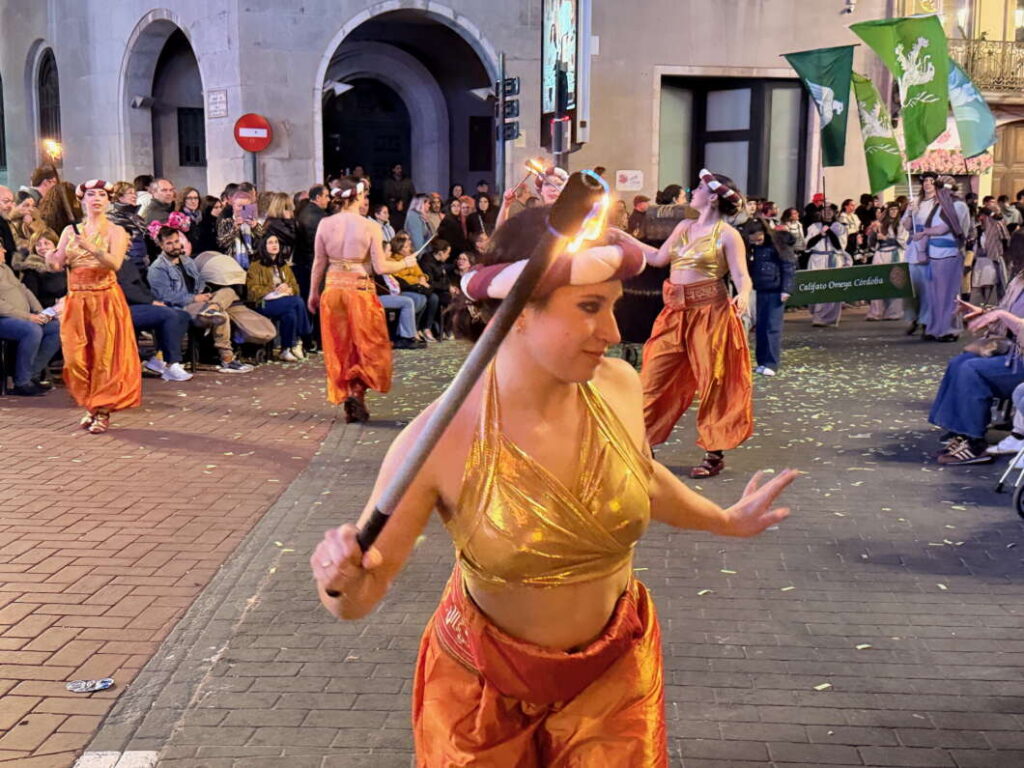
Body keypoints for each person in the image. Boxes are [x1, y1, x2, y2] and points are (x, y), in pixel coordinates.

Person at [310, 205, 797, 765]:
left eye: (613, 305)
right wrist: (338, 580)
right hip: (481, 697)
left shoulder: (617, 384)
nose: (613, 333)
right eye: (590, 307)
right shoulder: (436, 440)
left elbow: (640, 475)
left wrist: (725, 521)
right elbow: (356, 599)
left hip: (614, 684)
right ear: (518, 312)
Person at [639, 169, 754, 478]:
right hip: (674, 312)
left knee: (713, 381)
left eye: (698, 188)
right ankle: (642, 442)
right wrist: (619, 236)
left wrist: (742, 295)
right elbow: (658, 258)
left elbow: (741, 275)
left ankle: (714, 452)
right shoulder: (684, 226)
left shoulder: (728, 234)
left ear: (713, 196)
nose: (692, 192)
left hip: (710, 313)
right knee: (652, 377)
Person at [308, 178, 419, 422]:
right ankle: (358, 395)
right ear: (357, 197)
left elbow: (319, 262)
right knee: (367, 346)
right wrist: (405, 263)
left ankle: (349, 392)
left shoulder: (325, 224)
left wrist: (313, 292)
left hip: (333, 289)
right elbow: (380, 266)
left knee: (340, 346)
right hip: (359, 290)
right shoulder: (370, 227)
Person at [49, 180, 141, 433]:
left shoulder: (116, 231)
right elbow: (58, 263)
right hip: (76, 299)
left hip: (104, 299)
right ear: (83, 200)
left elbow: (114, 263)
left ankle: (101, 410)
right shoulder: (70, 231)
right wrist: (50, 257)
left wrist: (92, 248)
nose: (97, 198)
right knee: (75, 358)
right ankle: (90, 404)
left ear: (109, 200)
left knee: (104, 357)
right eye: (91, 194)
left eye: (102, 194)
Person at [930, 280, 1024, 464]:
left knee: (972, 370)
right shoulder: (1020, 280)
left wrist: (1002, 315)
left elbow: (1009, 318)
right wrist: (983, 314)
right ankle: (961, 433)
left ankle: (974, 443)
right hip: (1014, 353)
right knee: (958, 362)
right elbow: (1006, 318)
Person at [147, 227, 252, 374]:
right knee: (222, 315)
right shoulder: (157, 268)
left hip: (200, 302)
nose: (175, 246)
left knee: (228, 291)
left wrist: (205, 294)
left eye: (177, 241)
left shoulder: (187, 261)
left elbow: (199, 282)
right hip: (180, 307)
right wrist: (194, 298)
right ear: (161, 245)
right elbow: (165, 296)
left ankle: (212, 308)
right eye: (169, 243)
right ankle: (227, 358)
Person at [902, 173, 971, 342]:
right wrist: (922, 250)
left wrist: (925, 232)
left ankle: (948, 329)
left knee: (948, 295)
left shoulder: (957, 206)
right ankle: (935, 328)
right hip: (934, 255)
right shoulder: (938, 206)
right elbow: (920, 226)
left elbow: (945, 228)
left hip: (949, 253)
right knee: (934, 295)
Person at [116, 251, 193, 383]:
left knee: (182, 315)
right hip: (124, 308)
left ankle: (159, 358)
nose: (129, 244)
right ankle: (172, 364)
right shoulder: (114, 263)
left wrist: (155, 301)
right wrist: (150, 302)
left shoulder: (128, 263)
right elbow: (126, 289)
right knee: (168, 314)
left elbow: (143, 288)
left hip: (142, 305)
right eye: (127, 239)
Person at [0, 243, 61, 396]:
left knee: (55, 328)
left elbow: (24, 290)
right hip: (5, 319)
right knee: (31, 330)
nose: (4, 250)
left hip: (23, 316)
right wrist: (28, 317)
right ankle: (22, 383)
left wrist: (41, 313)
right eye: (0, 248)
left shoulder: (5, 268)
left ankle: (31, 375)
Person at [247, 234, 311, 362]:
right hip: (264, 302)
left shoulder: (283, 266)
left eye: (276, 242)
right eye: (270, 243)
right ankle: (302, 336)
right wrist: (274, 288)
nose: (275, 245)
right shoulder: (256, 266)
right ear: (264, 246)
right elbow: (252, 290)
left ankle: (286, 349)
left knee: (290, 313)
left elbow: (295, 286)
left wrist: (290, 289)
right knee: (297, 302)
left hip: (285, 301)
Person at [747, 219, 796, 376]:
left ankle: (771, 363)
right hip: (761, 288)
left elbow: (788, 267)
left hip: (776, 290)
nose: (757, 243)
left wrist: (786, 289)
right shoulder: (754, 248)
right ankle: (762, 361)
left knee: (772, 327)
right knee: (761, 327)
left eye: (759, 239)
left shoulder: (778, 244)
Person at [389, 232, 439, 342]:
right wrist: (418, 281)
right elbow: (400, 278)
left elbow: (420, 273)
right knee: (420, 299)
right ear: (399, 249)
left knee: (433, 298)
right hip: (405, 288)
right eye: (406, 247)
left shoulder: (410, 258)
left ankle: (423, 327)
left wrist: (423, 278)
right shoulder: (394, 261)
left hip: (416, 286)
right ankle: (410, 330)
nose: (409, 248)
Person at [804, 205, 849, 327]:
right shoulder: (813, 227)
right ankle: (816, 314)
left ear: (835, 212)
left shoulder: (839, 227)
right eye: (824, 210)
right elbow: (807, 245)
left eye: (830, 210)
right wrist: (820, 234)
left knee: (831, 288)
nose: (827, 213)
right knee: (816, 286)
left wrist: (829, 232)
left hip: (833, 259)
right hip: (817, 259)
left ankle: (828, 318)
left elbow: (840, 246)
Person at [866, 203, 907, 322]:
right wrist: (873, 233)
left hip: (895, 254)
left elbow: (903, 241)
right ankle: (876, 312)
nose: (894, 212)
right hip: (880, 254)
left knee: (895, 282)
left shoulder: (901, 224)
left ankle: (894, 312)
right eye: (891, 209)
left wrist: (887, 238)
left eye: (896, 210)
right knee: (877, 282)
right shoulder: (880, 224)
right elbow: (872, 244)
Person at [13, 227, 66, 309]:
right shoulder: (31, 270)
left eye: (46, 243)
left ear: (55, 244)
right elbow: (31, 300)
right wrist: (55, 303)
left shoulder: (65, 265)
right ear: (34, 248)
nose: (43, 247)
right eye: (38, 245)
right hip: (46, 312)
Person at [295, 184, 330, 302]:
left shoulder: (305, 211)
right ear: (318, 197)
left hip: (305, 263)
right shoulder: (318, 217)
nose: (329, 200)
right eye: (326, 196)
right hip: (314, 264)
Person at [108, 181, 150, 273]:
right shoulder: (111, 217)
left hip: (142, 264)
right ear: (119, 196)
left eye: (135, 193)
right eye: (130, 193)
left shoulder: (138, 218)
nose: (134, 196)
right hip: (125, 266)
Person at [217, 187, 259, 268]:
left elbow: (264, 241)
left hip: (253, 264)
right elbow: (221, 243)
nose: (241, 209)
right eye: (239, 206)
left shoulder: (254, 222)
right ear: (233, 206)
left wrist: (255, 227)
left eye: (245, 206)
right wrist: (235, 229)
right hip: (231, 264)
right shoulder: (226, 222)